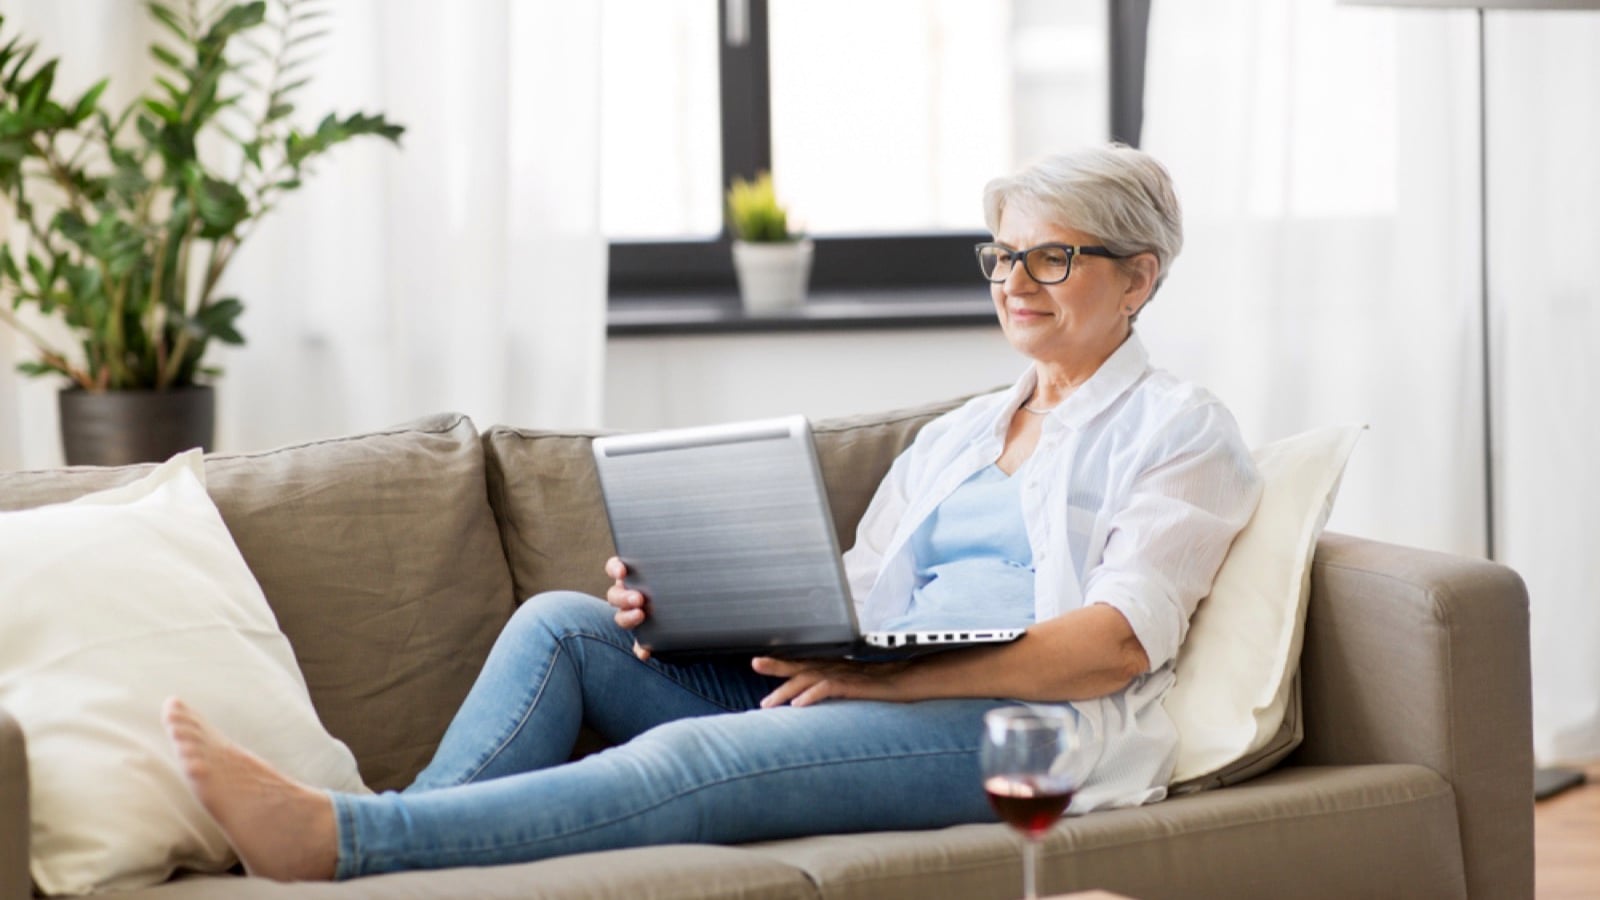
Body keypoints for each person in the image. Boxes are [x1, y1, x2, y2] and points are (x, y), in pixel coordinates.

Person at [162, 144, 1264, 881]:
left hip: (1022, 730)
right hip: (869, 684)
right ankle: (387, 847)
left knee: (697, 754)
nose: (1015, 281)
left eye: (1052, 257)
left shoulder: (1181, 431)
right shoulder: (962, 433)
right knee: (565, 627)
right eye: (1004, 256)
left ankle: (353, 839)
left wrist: (893, 681)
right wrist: (697, 610)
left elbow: (1114, 646)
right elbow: (853, 598)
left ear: (1138, 278)